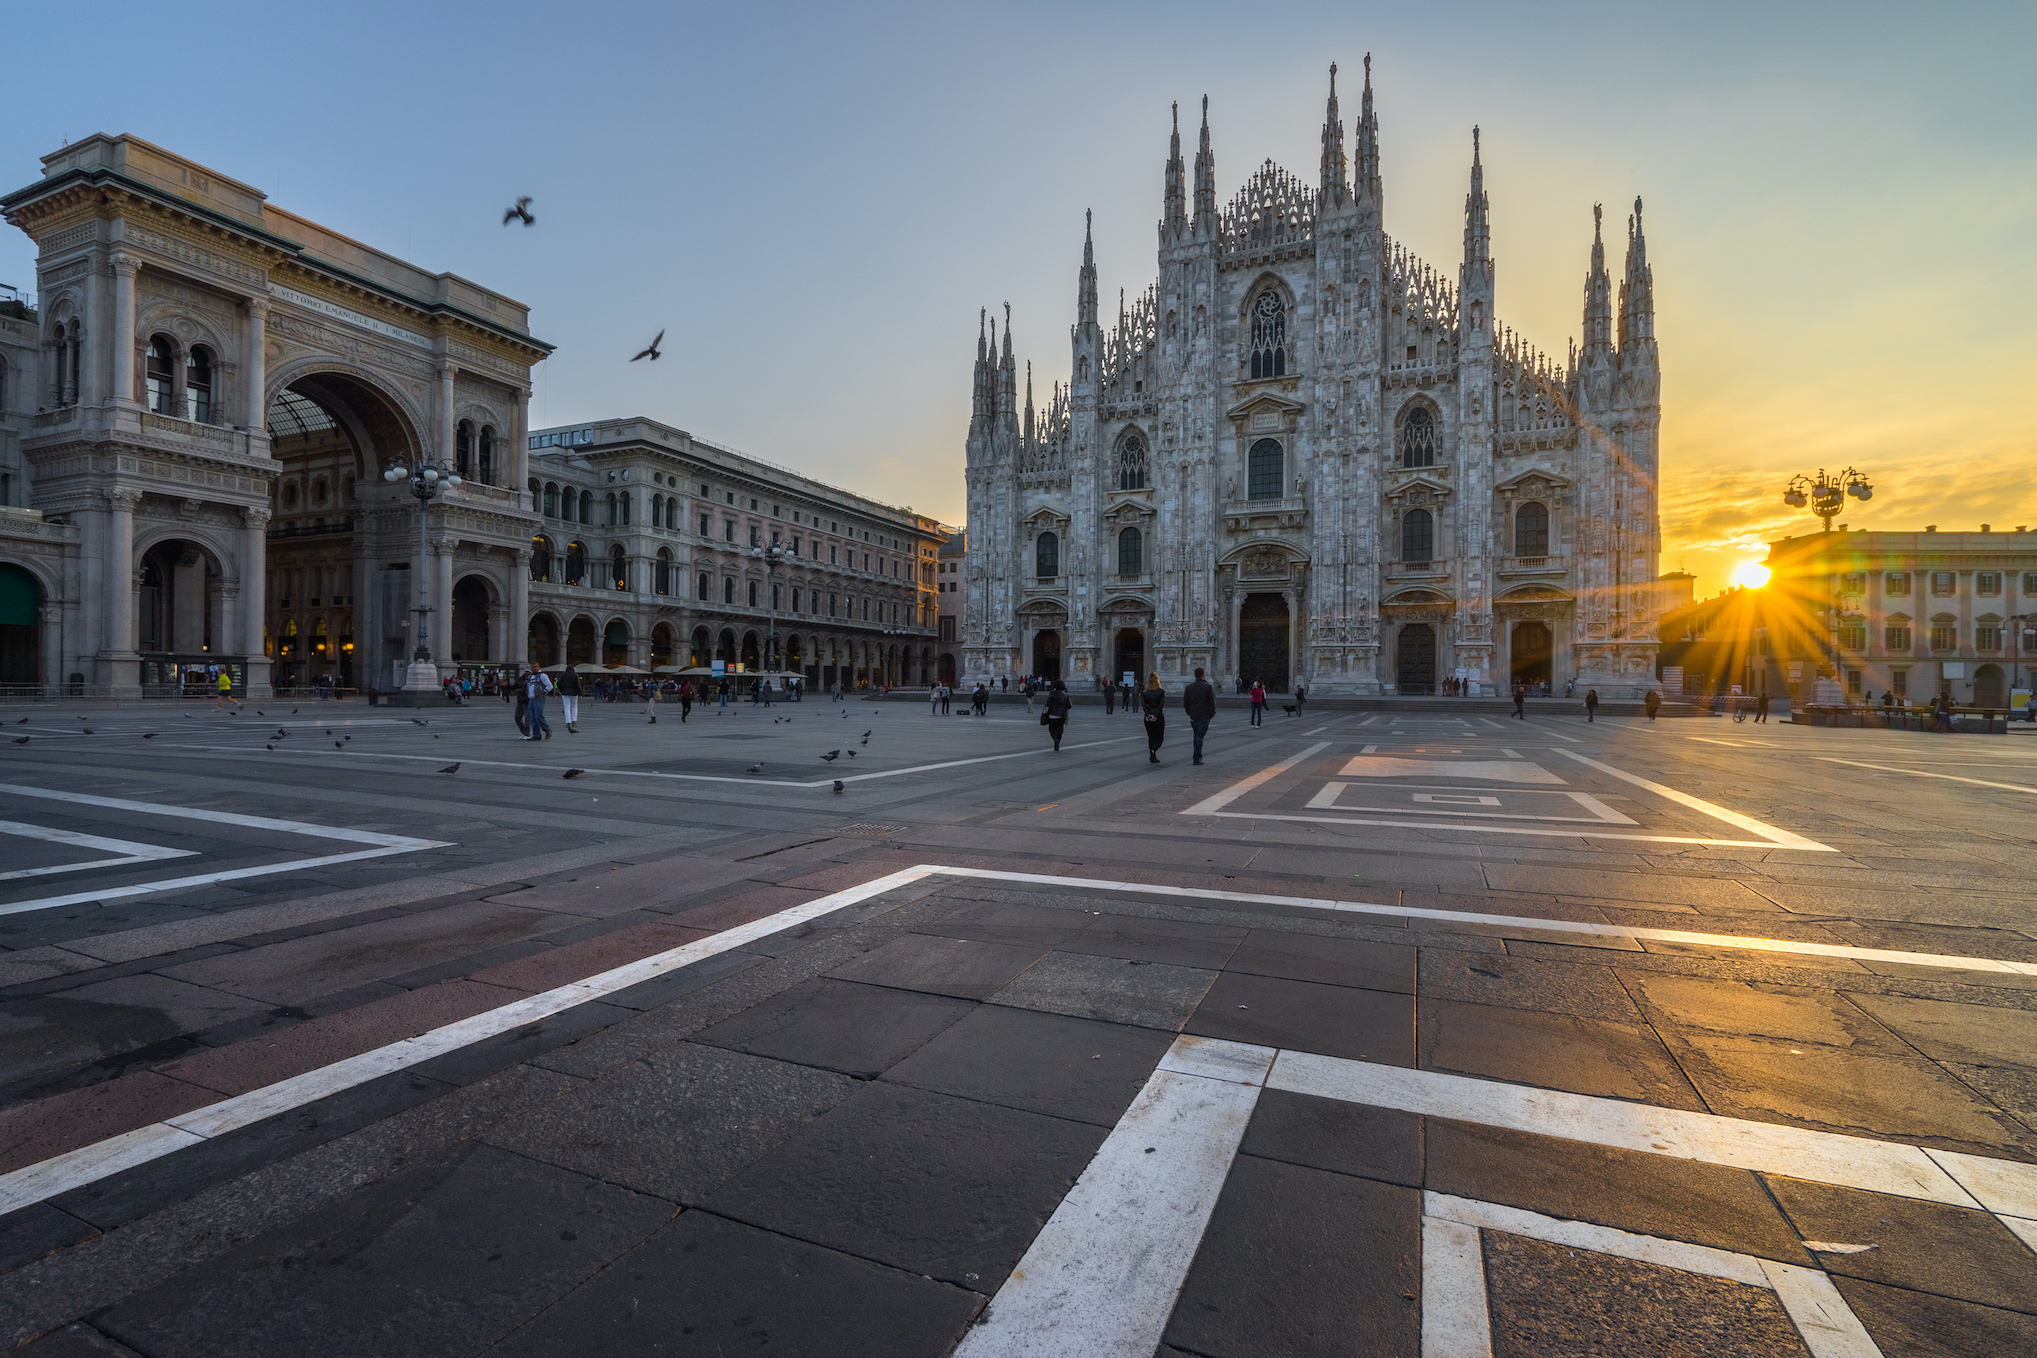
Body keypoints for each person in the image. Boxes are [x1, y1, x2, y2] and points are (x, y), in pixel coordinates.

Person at [1183, 666, 1217, 765]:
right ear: (1203, 675)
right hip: (1204, 715)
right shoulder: (1208, 687)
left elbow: (1185, 703)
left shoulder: (1189, 687)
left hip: (1194, 715)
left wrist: (1189, 712)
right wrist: (1211, 714)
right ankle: (1197, 758)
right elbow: (1212, 703)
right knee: (1199, 737)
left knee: (1196, 736)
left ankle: (1196, 756)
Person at [1140, 672, 1167, 764]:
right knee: (1159, 738)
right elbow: (1161, 705)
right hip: (1158, 716)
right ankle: (1153, 751)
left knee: (1151, 737)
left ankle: (1153, 755)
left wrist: (1149, 715)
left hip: (1148, 717)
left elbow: (1144, 706)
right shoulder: (1161, 692)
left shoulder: (1144, 692)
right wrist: (1155, 715)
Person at [525, 665, 554, 740]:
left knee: (538, 716)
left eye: (534, 667)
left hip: (538, 698)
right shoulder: (530, 677)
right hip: (531, 698)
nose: (533, 669)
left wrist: (543, 693)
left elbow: (550, 686)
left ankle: (547, 730)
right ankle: (536, 735)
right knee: (533, 718)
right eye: (531, 667)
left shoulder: (543, 676)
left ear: (538, 667)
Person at [1044, 679, 1071, 751]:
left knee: (1051, 729)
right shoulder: (1065, 695)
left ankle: (1055, 739)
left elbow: (1047, 704)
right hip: (1061, 715)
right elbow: (1069, 706)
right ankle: (1058, 741)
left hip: (1052, 715)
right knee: (1060, 730)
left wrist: (1045, 712)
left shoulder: (1052, 693)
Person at [558, 664, 582, 733]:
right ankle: (574, 721)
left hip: (565, 692)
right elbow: (578, 685)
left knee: (566, 707)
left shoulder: (563, 675)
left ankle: (568, 722)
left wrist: (561, 689)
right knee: (574, 706)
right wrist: (580, 693)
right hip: (574, 692)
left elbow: (559, 683)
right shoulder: (575, 675)